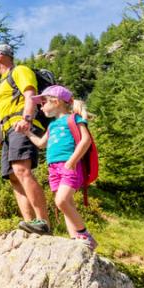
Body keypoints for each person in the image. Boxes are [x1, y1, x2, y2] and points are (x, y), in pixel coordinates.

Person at [0, 43, 51, 235]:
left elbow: (31, 96)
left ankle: (43, 223)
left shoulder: (20, 71)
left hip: (21, 126)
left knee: (22, 170)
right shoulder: (1, 85)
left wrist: (27, 120)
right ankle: (30, 224)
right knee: (13, 177)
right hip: (7, 130)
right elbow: (2, 114)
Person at [25, 85, 97, 250]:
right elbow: (41, 144)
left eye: (43, 102)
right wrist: (28, 133)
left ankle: (85, 235)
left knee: (61, 201)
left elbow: (86, 140)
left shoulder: (74, 119)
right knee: (66, 204)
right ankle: (76, 240)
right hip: (53, 169)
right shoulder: (51, 126)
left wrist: (72, 161)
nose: (41, 106)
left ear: (56, 101)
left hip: (69, 165)